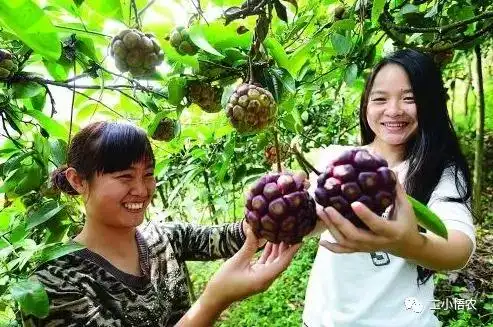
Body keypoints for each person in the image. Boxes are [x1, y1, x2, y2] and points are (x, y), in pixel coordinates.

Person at [24, 121, 300, 327]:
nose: (142, 190)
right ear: (78, 180)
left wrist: (280, 203)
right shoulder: (54, 284)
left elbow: (235, 236)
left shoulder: (163, 238)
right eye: (124, 177)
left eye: (148, 174)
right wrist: (213, 300)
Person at [302, 49, 476, 327]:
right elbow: (310, 220)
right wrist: (285, 202)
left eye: (410, 99)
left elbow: (458, 247)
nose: (393, 110)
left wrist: (407, 244)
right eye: (380, 99)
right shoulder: (336, 160)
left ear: (429, 103)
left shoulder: (438, 171)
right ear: (365, 106)